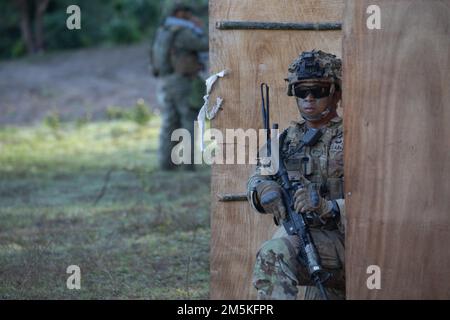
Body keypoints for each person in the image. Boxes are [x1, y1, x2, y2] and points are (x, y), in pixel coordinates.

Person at [246, 50, 345, 300]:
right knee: (275, 253)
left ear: (336, 92)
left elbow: (380, 204)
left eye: (318, 90)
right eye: (302, 91)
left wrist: (329, 206)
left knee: (274, 253)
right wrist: (263, 190)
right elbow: (259, 177)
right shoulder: (286, 141)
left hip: (351, 241)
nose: (309, 98)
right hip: (304, 240)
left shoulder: (356, 137)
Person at [153, 4, 208, 171]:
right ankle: (188, 164)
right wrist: (200, 28)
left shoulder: (165, 30)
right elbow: (206, 44)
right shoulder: (183, 32)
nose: (191, 16)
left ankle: (166, 164)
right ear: (180, 13)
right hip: (184, 81)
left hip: (167, 81)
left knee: (170, 122)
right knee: (189, 121)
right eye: (188, 13)